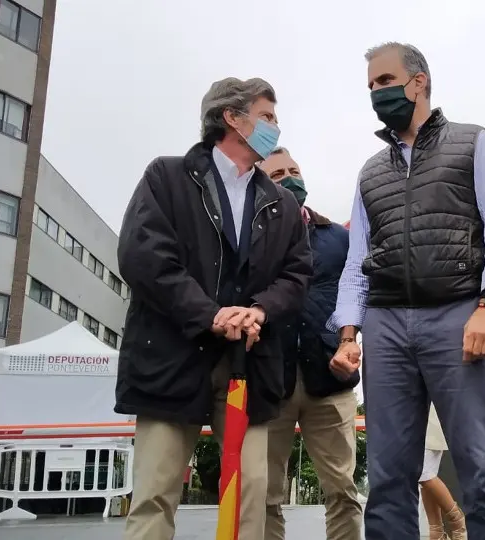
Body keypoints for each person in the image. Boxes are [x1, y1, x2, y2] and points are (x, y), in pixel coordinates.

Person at [327, 42, 485, 540]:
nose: (376, 92)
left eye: (385, 80)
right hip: (386, 325)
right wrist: (348, 333)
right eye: (371, 85)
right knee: (390, 475)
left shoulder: (472, 141)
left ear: (418, 82)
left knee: (483, 467)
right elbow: (357, 259)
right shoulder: (370, 170)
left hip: (458, 314)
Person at [115, 77, 312, 540]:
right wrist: (211, 314)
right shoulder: (166, 178)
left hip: (250, 365)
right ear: (231, 118)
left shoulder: (281, 204)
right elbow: (144, 257)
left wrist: (259, 310)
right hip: (171, 356)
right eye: (267, 117)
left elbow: (297, 275)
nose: (275, 129)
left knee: (250, 499)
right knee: (155, 496)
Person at [258, 147, 363, 540]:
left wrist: (348, 342)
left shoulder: (338, 237)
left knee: (342, 491)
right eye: (278, 174)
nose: (289, 178)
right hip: (270, 379)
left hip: (329, 382)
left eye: (294, 170)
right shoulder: (251, 238)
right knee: (264, 494)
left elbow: (357, 294)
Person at [420, 405, 467, 540]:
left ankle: (457, 521)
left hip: (431, 416)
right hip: (416, 417)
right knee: (425, 477)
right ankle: (436, 531)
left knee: (424, 474)